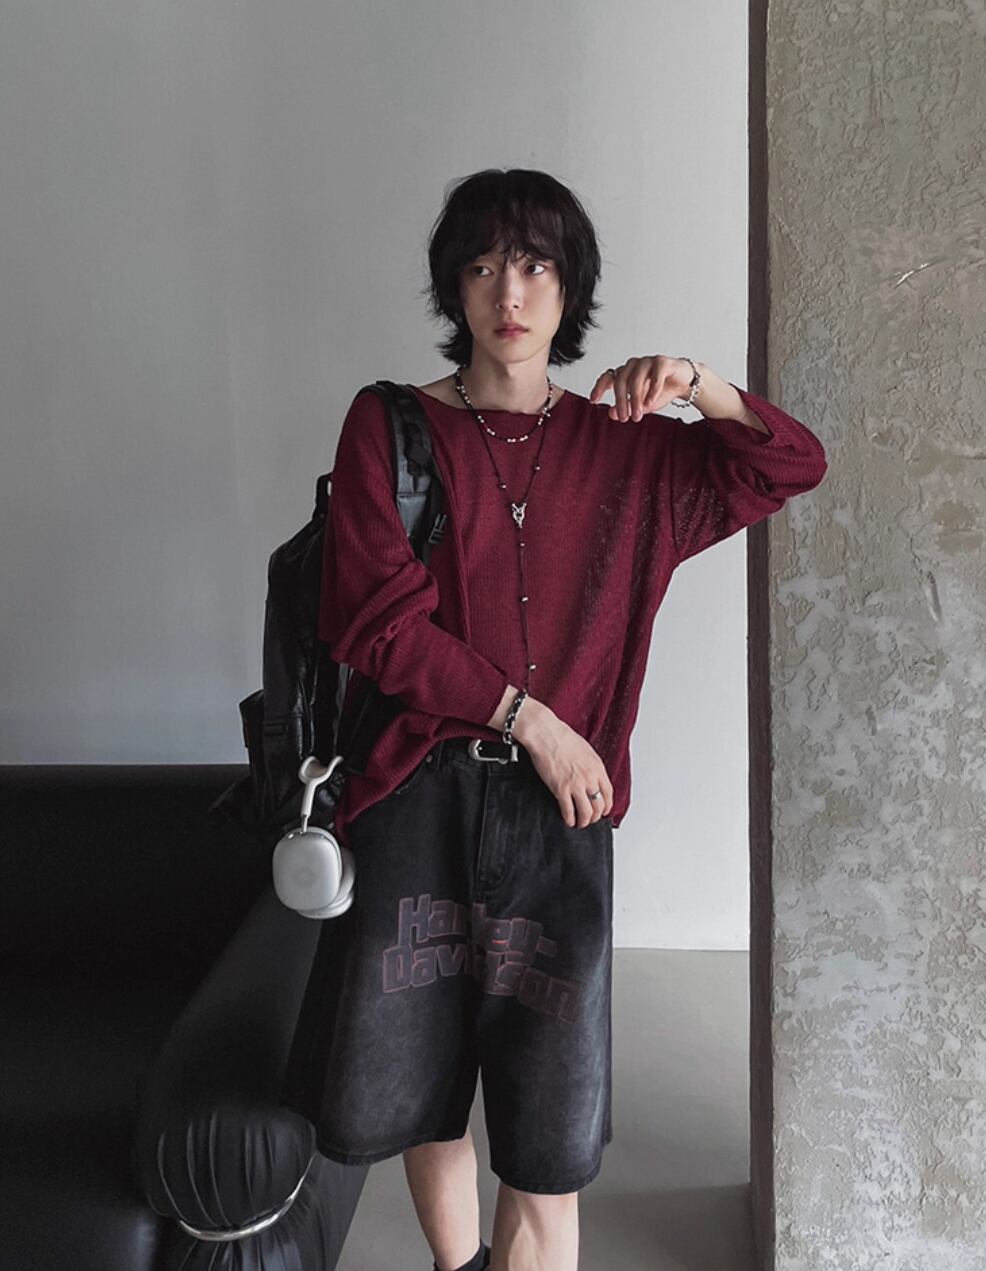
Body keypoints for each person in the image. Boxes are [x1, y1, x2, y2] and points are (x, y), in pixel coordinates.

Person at [278, 168, 828, 1271]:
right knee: (422, 1088)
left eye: (533, 264)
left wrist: (697, 383)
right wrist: (531, 718)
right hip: (415, 797)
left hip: (557, 823)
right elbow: (376, 626)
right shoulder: (389, 426)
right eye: (483, 265)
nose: (508, 292)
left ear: (569, 286)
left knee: (548, 1133)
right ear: (455, 286)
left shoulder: (630, 452)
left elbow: (790, 463)